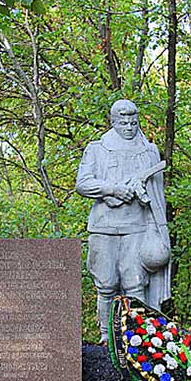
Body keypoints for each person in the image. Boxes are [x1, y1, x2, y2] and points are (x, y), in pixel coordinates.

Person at [76, 99, 171, 343]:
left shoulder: (148, 151)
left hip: (137, 227)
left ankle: (139, 338)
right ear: (113, 122)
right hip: (104, 226)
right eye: (123, 122)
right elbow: (83, 184)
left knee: (135, 283)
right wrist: (112, 190)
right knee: (106, 285)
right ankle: (106, 337)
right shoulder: (98, 148)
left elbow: (157, 196)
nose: (129, 127)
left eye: (133, 122)